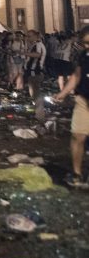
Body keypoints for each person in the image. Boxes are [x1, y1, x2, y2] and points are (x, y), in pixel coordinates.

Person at [53, 26, 89, 188]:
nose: (86, 46)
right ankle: (77, 173)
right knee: (77, 135)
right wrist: (63, 93)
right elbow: (77, 75)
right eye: (84, 43)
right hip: (83, 99)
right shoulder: (83, 55)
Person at [24, 29, 48, 120]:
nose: (27, 38)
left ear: (35, 36)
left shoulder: (38, 45)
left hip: (36, 72)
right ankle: (38, 112)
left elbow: (37, 55)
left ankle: (40, 115)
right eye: (27, 36)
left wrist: (24, 53)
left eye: (29, 36)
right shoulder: (34, 45)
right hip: (31, 72)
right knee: (33, 93)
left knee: (37, 93)